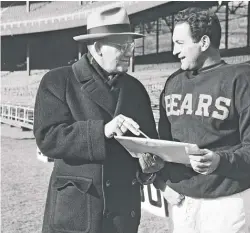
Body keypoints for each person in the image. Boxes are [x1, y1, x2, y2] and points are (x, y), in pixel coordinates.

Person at [33, 6, 163, 233]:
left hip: (122, 214)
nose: (129, 52)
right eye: (122, 46)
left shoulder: (135, 89)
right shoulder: (57, 82)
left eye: (130, 45)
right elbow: (48, 138)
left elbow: (149, 143)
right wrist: (102, 131)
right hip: (77, 212)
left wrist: (148, 167)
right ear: (98, 47)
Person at [155, 8, 250, 233]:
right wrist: (161, 182)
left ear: (204, 41)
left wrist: (220, 160)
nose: (174, 51)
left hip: (226, 201)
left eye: (180, 43)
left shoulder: (242, 78)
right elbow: (164, 142)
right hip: (181, 200)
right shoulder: (173, 82)